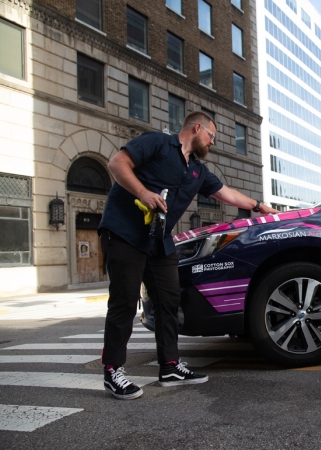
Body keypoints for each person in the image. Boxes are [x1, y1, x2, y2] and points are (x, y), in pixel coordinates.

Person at [99, 111, 277, 400]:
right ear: (197, 128)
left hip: (159, 240)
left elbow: (227, 193)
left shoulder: (198, 171)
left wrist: (259, 205)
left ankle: (169, 366)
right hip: (124, 233)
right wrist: (144, 193)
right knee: (124, 303)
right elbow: (117, 163)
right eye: (212, 136)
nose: (213, 142)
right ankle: (113, 370)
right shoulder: (157, 143)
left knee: (169, 301)